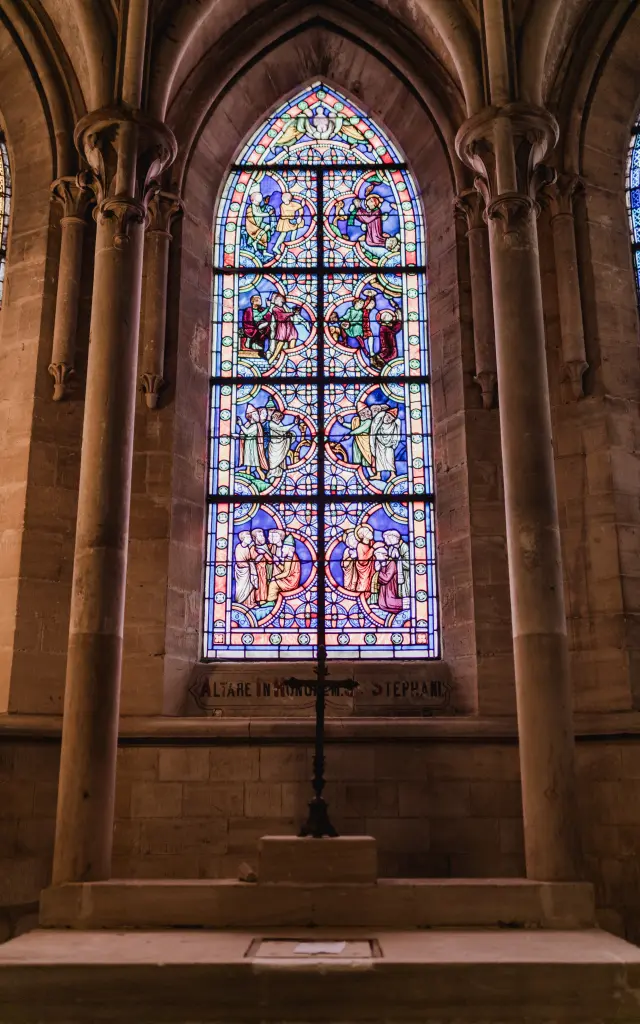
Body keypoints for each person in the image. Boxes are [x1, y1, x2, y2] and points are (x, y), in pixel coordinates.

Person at [266, 535, 301, 602]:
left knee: (273, 584)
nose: (282, 550)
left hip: (291, 581)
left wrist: (275, 577)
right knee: (273, 583)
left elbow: (286, 573)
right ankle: (273, 601)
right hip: (289, 579)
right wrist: (277, 563)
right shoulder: (291, 556)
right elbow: (285, 570)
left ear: (290, 549)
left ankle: (270, 602)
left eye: (284, 547)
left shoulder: (289, 558)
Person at [370, 406, 401, 481]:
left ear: (393, 420)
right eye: (387, 416)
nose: (387, 419)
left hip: (389, 445)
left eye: (390, 418)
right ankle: (378, 475)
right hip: (379, 443)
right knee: (379, 459)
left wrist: (394, 443)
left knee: (389, 459)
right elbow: (375, 423)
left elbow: (396, 435)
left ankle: (393, 474)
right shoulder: (380, 422)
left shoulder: (394, 426)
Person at [238, 405, 268, 479]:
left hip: (252, 444)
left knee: (254, 461)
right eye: (255, 414)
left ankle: (261, 475)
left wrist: (240, 424)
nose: (257, 415)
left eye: (257, 414)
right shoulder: (249, 424)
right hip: (248, 443)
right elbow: (243, 433)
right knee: (248, 460)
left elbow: (246, 432)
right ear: (250, 416)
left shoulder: (255, 425)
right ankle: (248, 471)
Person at [267, 294, 301, 360]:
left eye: (283, 302)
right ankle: (273, 358)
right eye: (282, 302)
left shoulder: (283, 307)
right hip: (282, 328)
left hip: (290, 327)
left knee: (293, 338)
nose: (283, 303)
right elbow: (281, 317)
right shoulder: (275, 308)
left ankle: (291, 357)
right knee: (281, 342)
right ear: (276, 301)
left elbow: (289, 314)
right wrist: (292, 313)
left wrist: (295, 311)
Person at [267, 410, 294, 484]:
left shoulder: (279, 423)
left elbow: (283, 431)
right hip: (274, 446)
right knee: (273, 465)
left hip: (281, 444)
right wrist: (294, 424)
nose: (276, 418)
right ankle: (271, 479)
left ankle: (278, 480)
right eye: (275, 416)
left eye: (278, 417)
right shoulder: (271, 424)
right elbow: (281, 429)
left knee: (279, 464)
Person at [244, 191, 275, 256]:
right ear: (253, 200)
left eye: (259, 202)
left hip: (258, 223)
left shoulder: (257, 206)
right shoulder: (252, 206)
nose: (259, 203)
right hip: (252, 225)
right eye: (257, 202)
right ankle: (257, 245)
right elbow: (257, 214)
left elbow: (261, 212)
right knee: (264, 235)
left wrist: (266, 206)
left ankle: (257, 244)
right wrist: (268, 214)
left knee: (268, 227)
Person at [384, 529, 410, 599]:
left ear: (393, 538)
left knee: (404, 593)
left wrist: (398, 559)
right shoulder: (391, 548)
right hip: (394, 576)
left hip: (405, 575)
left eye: (387, 539)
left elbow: (409, 564)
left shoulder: (404, 547)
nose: (385, 541)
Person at [234, 531, 258, 607]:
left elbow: (249, 559)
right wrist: (249, 564)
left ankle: (251, 602)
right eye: (248, 537)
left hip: (249, 570)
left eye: (250, 537)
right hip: (242, 572)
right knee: (243, 588)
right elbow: (239, 562)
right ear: (243, 539)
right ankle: (243, 603)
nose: (250, 538)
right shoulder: (239, 547)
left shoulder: (247, 548)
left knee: (251, 586)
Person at [377, 546, 403, 614]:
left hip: (390, 590)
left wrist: (378, 572)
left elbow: (386, 578)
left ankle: (406, 602)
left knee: (390, 603)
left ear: (383, 555)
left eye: (377, 556)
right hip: (384, 592)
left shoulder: (392, 563)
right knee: (382, 604)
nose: (376, 558)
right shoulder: (383, 564)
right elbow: (380, 581)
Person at [349, 406, 375, 473]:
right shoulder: (357, 421)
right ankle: (357, 473)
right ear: (361, 413)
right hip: (357, 441)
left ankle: (370, 473)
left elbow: (360, 429)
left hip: (366, 441)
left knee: (366, 457)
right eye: (366, 412)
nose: (369, 413)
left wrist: (350, 433)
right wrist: (343, 423)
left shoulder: (368, 421)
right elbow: (352, 427)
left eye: (368, 411)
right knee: (357, 457)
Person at [251, 528, 273, 604]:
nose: (263, 537)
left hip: (267, 570)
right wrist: (262, 554)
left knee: (266, 586)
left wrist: (264, 553)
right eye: (260, 536)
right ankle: (261, 602)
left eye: (263, 535)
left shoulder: (267, 547)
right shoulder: (253, 548)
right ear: (255, 538)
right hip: (258, 571)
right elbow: (255, 561)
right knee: (260, 587)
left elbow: (270, 561)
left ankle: (266, 601)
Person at [354, 524, 376, 596]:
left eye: (370, 531)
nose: (371, 533)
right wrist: (373, 549)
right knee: (364, 585)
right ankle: (361, 597)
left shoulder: (372, 543)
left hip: (372, 569)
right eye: (368, 532)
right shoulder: (360, 546)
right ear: (363, 536)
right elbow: (362, 560)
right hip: (363, 570)